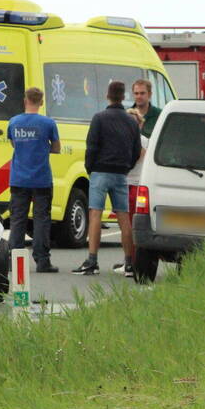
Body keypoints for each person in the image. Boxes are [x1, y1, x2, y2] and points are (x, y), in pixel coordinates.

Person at [73, 81, 141, 276]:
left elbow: (92, 146)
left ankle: (92, 261)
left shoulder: (99, 118)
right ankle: (129, 262)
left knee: (95, 214)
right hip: (121, 174)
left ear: (107, 96)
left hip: (100, 171)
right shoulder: (131, 121)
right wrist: (126, 167)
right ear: (124, 96)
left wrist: (90, 168)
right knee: (123, 217)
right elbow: (136, 150)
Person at [7, 87, 61, 273]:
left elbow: (13, 143)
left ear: (25, 100)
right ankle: (42, 261)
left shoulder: (14, 122)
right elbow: (56, 148)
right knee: (41, 220)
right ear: (42, 102)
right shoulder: (48, 123)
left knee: (17, 220)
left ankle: (14, 260)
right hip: (41, 179)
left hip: (19, 179)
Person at [113, 107, 147, 274]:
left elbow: (137, 158)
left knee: (130, 226)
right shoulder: (138, 140)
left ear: (140, 124)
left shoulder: (142, 141)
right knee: (127, 226)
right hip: (127, 184)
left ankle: (133, 262)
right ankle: (129, 260)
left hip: (133, 184)